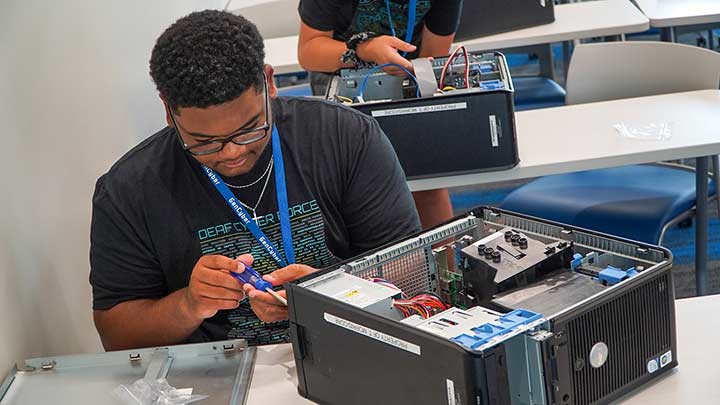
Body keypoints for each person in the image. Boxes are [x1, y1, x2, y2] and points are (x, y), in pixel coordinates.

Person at [90, 10, 420, 350]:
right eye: (204, 142)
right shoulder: (129, 190)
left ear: (269, 82)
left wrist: (331, 293)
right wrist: (189, 305)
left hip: (349, 346)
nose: (230, 153)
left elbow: (414, 270)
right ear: (167, 110)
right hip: (217, 376)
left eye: (249, 130)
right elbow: (117, 335)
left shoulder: (345, 137)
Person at [296, 0, 463, 229]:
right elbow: (309, 52)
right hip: (340, 81)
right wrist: (366, 50)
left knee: (427, 181)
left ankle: (442, 264)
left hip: (407, 80)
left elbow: (433, 55)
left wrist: (409, 74)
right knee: (354, 193)